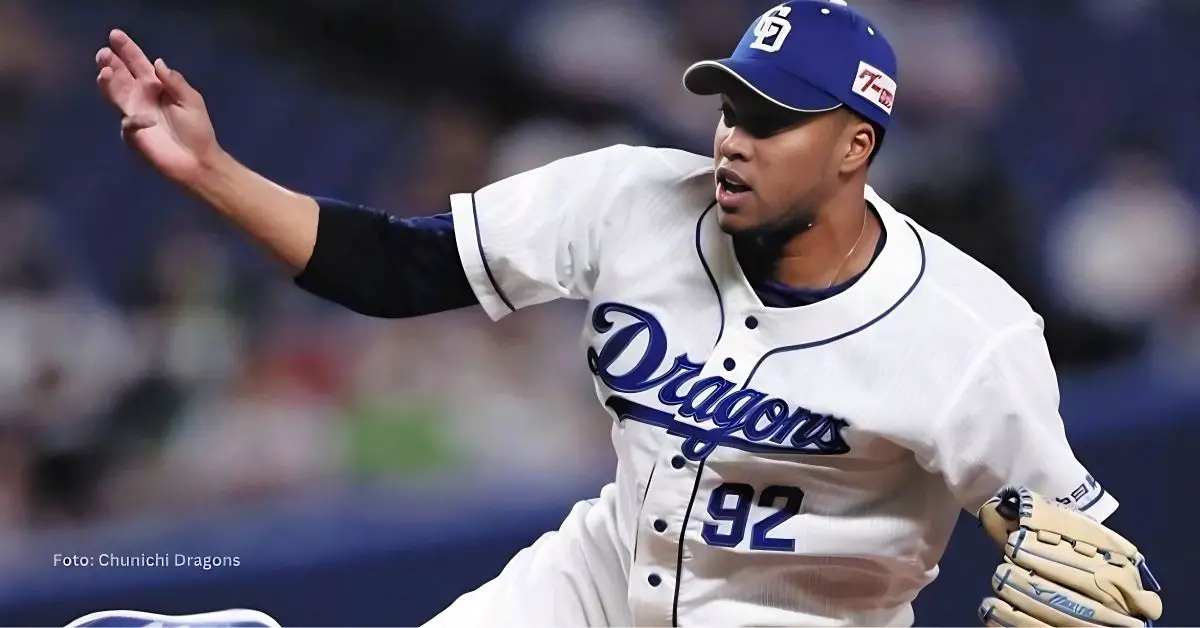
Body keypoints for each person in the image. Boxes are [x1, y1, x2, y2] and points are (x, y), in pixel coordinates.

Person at [94, 1, 1163, 626]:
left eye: (775, 120)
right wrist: (214, 171)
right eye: (734, 104)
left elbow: (1091, 558)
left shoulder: (968, 333)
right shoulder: (631, 198)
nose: (736, 137)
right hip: (598, 582)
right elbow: (394, 269)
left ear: (855, 147)